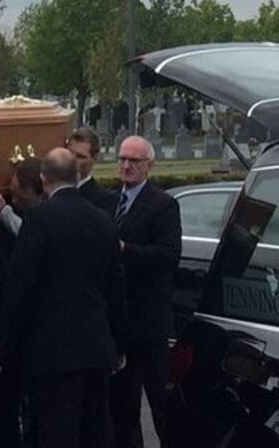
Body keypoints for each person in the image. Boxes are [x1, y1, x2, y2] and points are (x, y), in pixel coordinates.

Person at [0, 148, 126, 448]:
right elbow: (116, 285)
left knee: (56, 433)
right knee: (95, 431)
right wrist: (118, 343)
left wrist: (4, 344)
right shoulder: (102, 219)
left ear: (43, 178)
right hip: (96, 346)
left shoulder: (40, 219)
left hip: (53, 351)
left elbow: (22, 286)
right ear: (77, 176)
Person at [109, 136, 181, 448]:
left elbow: (168, 255)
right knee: (122, 409)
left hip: (150, 323)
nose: (126, 166)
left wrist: (126, 249)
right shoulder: (109, 201)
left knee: (162, 405)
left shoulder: (163, 204)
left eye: (134, 161)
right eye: (123, 159)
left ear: (149, 166)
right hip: (119, 323)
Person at [0, 157, 43, 448]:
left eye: (20, 193)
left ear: (38, 193)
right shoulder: (19, 211)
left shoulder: (43, 218)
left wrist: (3, 211)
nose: (13, 196)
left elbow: (32, 240)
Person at [67, 128, 117, 214]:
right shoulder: (49, 192)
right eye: (69, 153)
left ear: (94, 159)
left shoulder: (105, 200)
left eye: (80, 156)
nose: (72, 160)